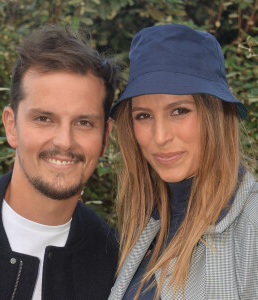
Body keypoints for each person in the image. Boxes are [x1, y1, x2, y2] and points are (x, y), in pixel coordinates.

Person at [0, 25, 120, 300]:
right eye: (44, 119)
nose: (65, 142)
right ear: (11, 127)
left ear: (105, 137)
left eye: (83, 122)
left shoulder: (117, 265)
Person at [108, 24, 258, 300]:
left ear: (216, 114)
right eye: (143, 115)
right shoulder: (147, 225)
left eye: (179, 111)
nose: (160, 136)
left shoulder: (252, 223)